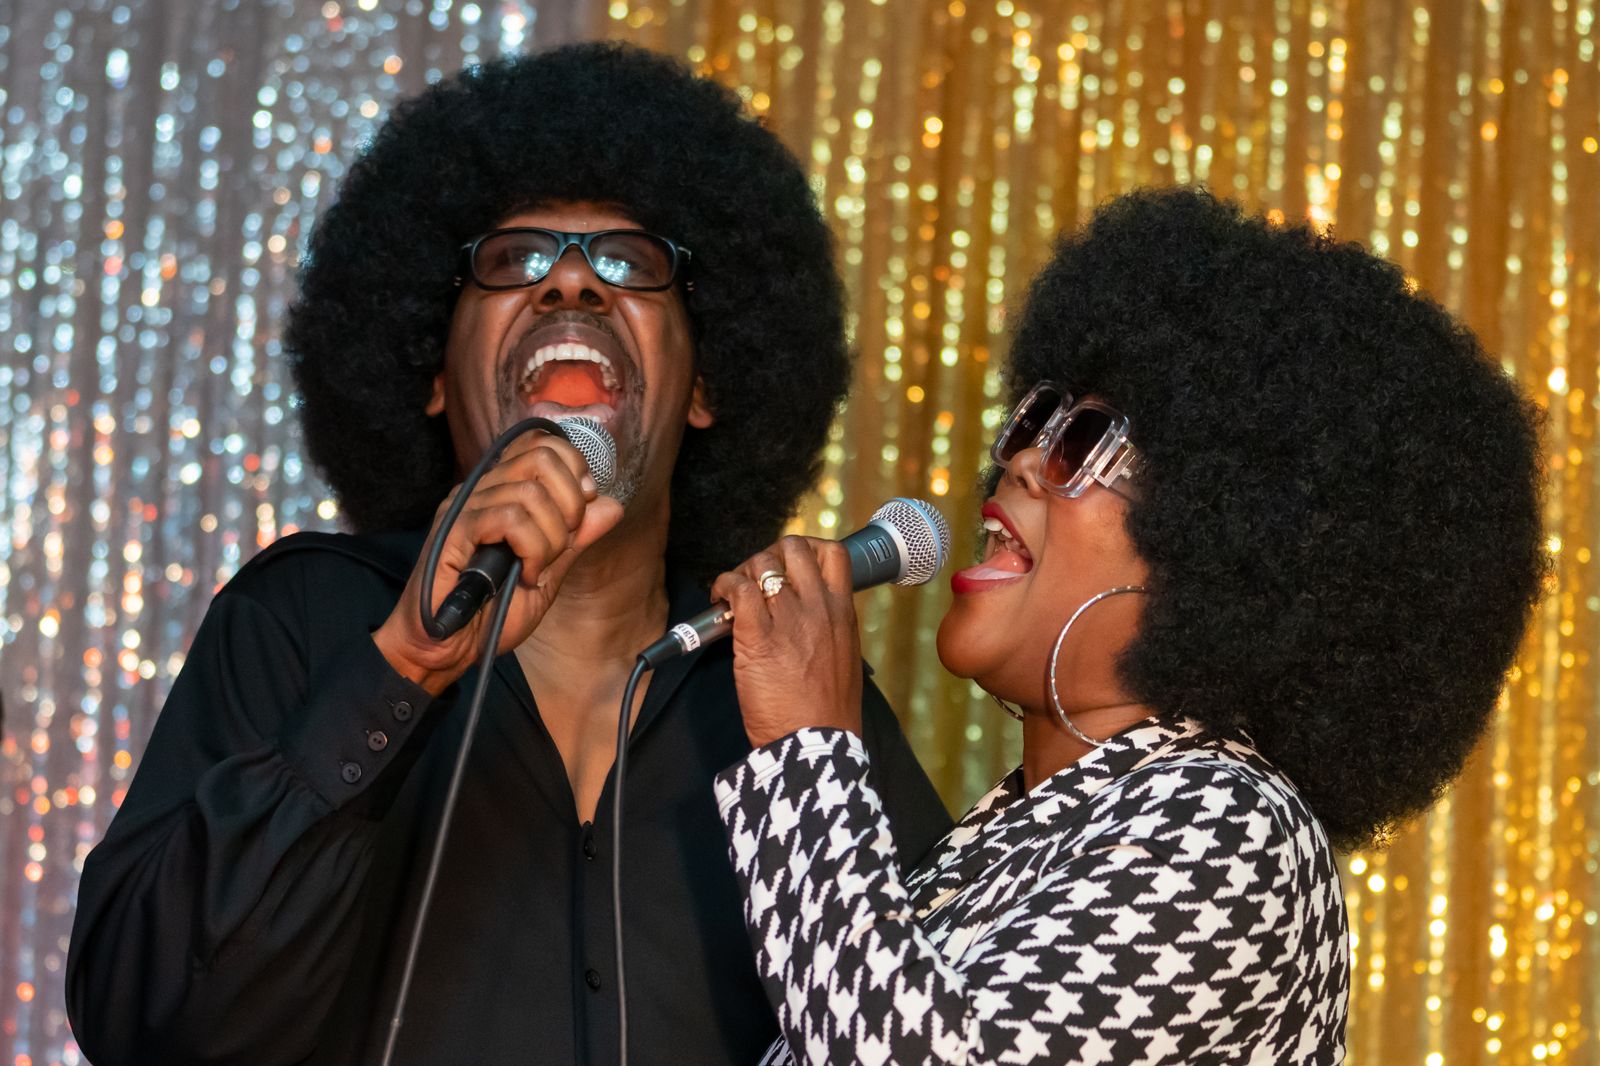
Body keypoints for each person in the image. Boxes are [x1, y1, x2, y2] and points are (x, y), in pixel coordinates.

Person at [66, 43, 951, 1065]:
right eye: (513, 259)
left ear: (707, 387)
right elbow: (141, 1020)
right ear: (432, 374)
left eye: (629, 262)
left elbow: (925, 1026)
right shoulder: (306, 618)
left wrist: (812, 754)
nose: (570, 281)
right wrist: (401, 669)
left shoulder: (791, 677)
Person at [708, 187, 1547, 1063]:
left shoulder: (1232, 831)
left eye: (1083, 442)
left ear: (1223, 542)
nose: (1021, 461)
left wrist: (805, 750)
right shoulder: (1017, 832)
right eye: (1036, 420)